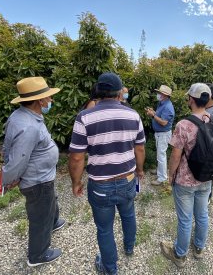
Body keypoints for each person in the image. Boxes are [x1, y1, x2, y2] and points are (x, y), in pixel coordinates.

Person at [68, 72, 145, 275]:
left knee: (104, 228)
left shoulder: (84, 117)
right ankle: (129, 247)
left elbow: (76, 157)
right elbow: (140, 149)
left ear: (98, 92)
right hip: (128, 179)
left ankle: (110, 268)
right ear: (120, 93)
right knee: (128, 214)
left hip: (101, 184)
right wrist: (140, 170)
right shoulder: (133, 114)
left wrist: (76, 182)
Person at [2, 76, 65, 267]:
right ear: (40, 101)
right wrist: (8, 179)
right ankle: (38, 255)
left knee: (50, 203)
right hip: (37, 181)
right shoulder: (27, 125)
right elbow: (19, 158)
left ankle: (52, 222)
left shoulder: (25, 115)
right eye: (48, 97)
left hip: (44, 176)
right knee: (40, 215)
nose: (50, 101)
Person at [160, 83, 213, 268]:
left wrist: (171, 175)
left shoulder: (183, 125)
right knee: (202, 215)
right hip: (206, 177)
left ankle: (180, 255)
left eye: (188, 97)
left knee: (185, 219)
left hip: (185, 180)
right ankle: (199, 248)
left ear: (191, 100)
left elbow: (176, 155)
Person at [145, 85, 175, 186]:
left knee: (161, 155)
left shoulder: (168, 107)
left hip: (163, 134)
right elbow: (159, 116)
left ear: (165, 95)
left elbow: (163, 122)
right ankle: (159, 171)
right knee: (160, 154)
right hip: (160, 134)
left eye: (160, 93)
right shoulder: (162, 103)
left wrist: (153, 115)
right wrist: (153, 112)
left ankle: (162, 178)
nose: (158, 94)